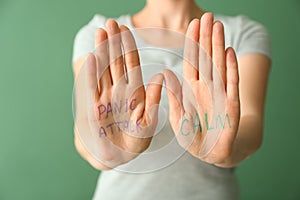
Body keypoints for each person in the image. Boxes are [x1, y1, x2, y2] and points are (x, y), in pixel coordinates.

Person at [72, 0, 271, 199]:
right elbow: (84, 129)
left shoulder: (242, 32)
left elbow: (250, 122)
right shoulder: (100, 34)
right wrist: (105, 152)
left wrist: (225, 148)